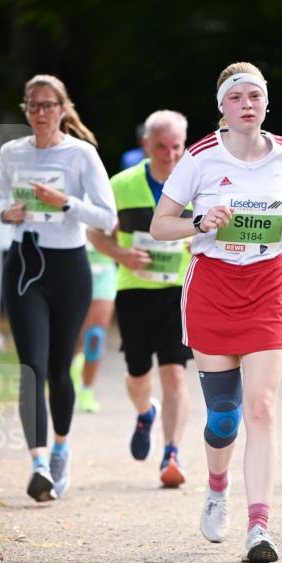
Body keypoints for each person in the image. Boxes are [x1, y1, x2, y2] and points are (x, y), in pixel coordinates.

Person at [150, 62, 282, 563]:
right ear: (222, 105)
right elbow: (160, 226)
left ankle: (259, 527)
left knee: (262, 408)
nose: (248, 104)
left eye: (256, 96)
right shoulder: (200, 157)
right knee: (225, 418)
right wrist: (200, 220)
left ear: (267, 103)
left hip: (267, 285)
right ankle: (217, 487)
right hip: (214, 288)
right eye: (238, 96)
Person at [0, 74, 117, 502]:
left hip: (68, 268)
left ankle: (62, 447)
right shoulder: (11, 152)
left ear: (63, 109)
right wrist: (7, 213)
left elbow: (107, 216)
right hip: (24, 265)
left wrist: (63, 203)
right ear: (26, 110)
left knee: (57, 368)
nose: (41, 113)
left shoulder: (81, 155)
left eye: (48, 105)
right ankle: (39, 464)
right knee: (31, 368)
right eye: (33, 105)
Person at [88, 110, 192, 488]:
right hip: (133, 289)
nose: (169, 155)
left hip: (179, 289)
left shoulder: (198, 184)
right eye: (161, 147)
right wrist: (122, 255)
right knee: (137, 374)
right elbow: (95, 234)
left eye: (176, 147)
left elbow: (216, 233)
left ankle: (172, 454)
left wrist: (194, 239)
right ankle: (145, 412)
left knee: (175, 372)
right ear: (146, 144)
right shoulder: (121, 184)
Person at [70, 247, 117, 413]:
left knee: (94, 336)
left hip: (103, 269)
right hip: (71, 266)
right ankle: (74, 364)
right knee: (71, 336)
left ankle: (86, 388)